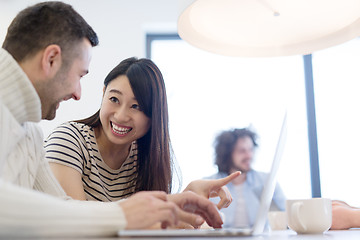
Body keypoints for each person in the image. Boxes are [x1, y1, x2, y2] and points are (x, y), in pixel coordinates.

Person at [0, 1, 231, 237]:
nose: (78, 94)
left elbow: (64, 210)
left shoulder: (29, 133)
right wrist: (124, 215)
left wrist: (170, 204)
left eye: (137, 106)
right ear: (51, 59)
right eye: (79, 75)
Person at [44, 56, 239, 211]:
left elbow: (153, 226)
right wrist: (172, 203)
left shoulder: (144, 156)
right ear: (103, 93)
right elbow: (74, 223)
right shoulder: (69, 140)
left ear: (154, 115)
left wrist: (189, 198)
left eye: (136, 106)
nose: (121, 116)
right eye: (114, 99)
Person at [205, 128, 286, 228]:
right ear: (228, 154)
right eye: (242, 151)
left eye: (251, 150)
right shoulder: (208, 184)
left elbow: (285, 217)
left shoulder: (267, 181)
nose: (249, 155)